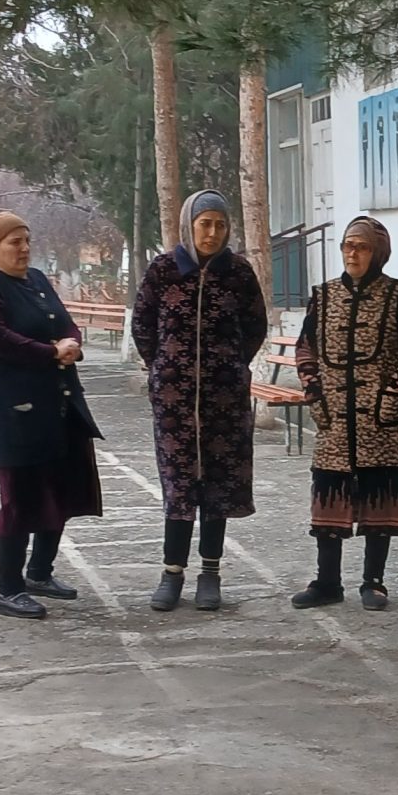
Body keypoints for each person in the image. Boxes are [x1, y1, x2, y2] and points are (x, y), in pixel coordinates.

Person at [0, 210, 103, 620]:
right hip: (17, 408)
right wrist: (50, 352)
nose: (24, 249)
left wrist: (71, 343)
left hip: (61, 402)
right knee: (21, 497)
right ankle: (9, 589)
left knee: (59, 489)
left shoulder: (38, 279)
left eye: (27, 241)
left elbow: (65, 323)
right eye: (14, 242)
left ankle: (40, 572)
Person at [131, 190, 267, 613]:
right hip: (174, 401)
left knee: (217, 485)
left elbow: (255, 326)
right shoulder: (163, 270)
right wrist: (164, 367)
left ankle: (211, 573)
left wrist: (229, 365)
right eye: (204, 223)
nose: (212, 232)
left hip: (225, 400)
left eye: (220, 225)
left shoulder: (238, 272)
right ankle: (172, 572)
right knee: (179, 484)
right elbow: (143, 325)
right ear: (189, 225)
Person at [290, 215, 398, 611]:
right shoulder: (323, 296)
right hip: (334, 419)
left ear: (377, 252)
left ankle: (374, 582)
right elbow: (305, 346)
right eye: (348, 245)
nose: (352, 253)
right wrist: (313, 391)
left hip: (382, 421)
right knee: (328, 500)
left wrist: (396, 388)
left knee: (379, 499)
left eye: (362, 247)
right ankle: (327, 582)